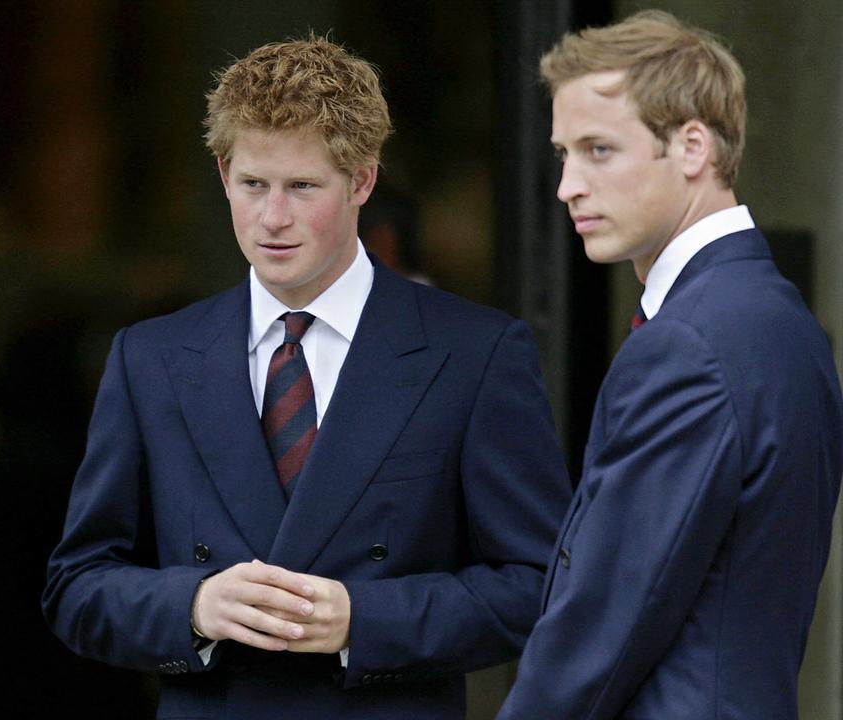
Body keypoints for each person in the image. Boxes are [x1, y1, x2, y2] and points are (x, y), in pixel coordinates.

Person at [42, 36, 571, 718]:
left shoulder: (474, 353)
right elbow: (78, 587)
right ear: (223, 171)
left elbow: (539, 585)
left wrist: (363, 619)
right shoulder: (151, 358)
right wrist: (196, 604)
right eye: (253, 184)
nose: (273, 218)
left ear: (363, 181)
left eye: (303, 187)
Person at [497, 11, 843, 719]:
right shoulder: (776, 317)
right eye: (564, 153)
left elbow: (607, 615)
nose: (567, 185)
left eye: (598, 150)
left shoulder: (692, 341)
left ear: (692, 147)